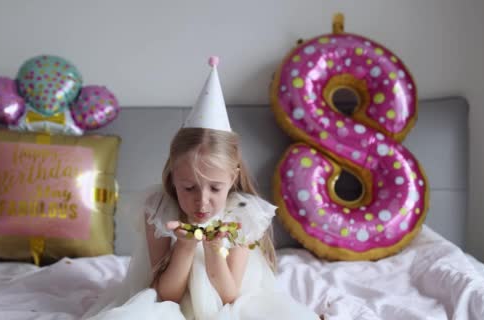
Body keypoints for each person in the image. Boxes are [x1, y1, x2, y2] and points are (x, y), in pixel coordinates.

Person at [84, 57, 319, 320]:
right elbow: (165, 297)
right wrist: (184, 247)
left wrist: (213, 251)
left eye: (215, 189)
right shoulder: (161, 210)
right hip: (169, 305)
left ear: (232, 179)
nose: (202, 202)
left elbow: (231, 297)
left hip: (230, 302)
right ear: (173, 178)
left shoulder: (243, 215)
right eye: (189, 188)